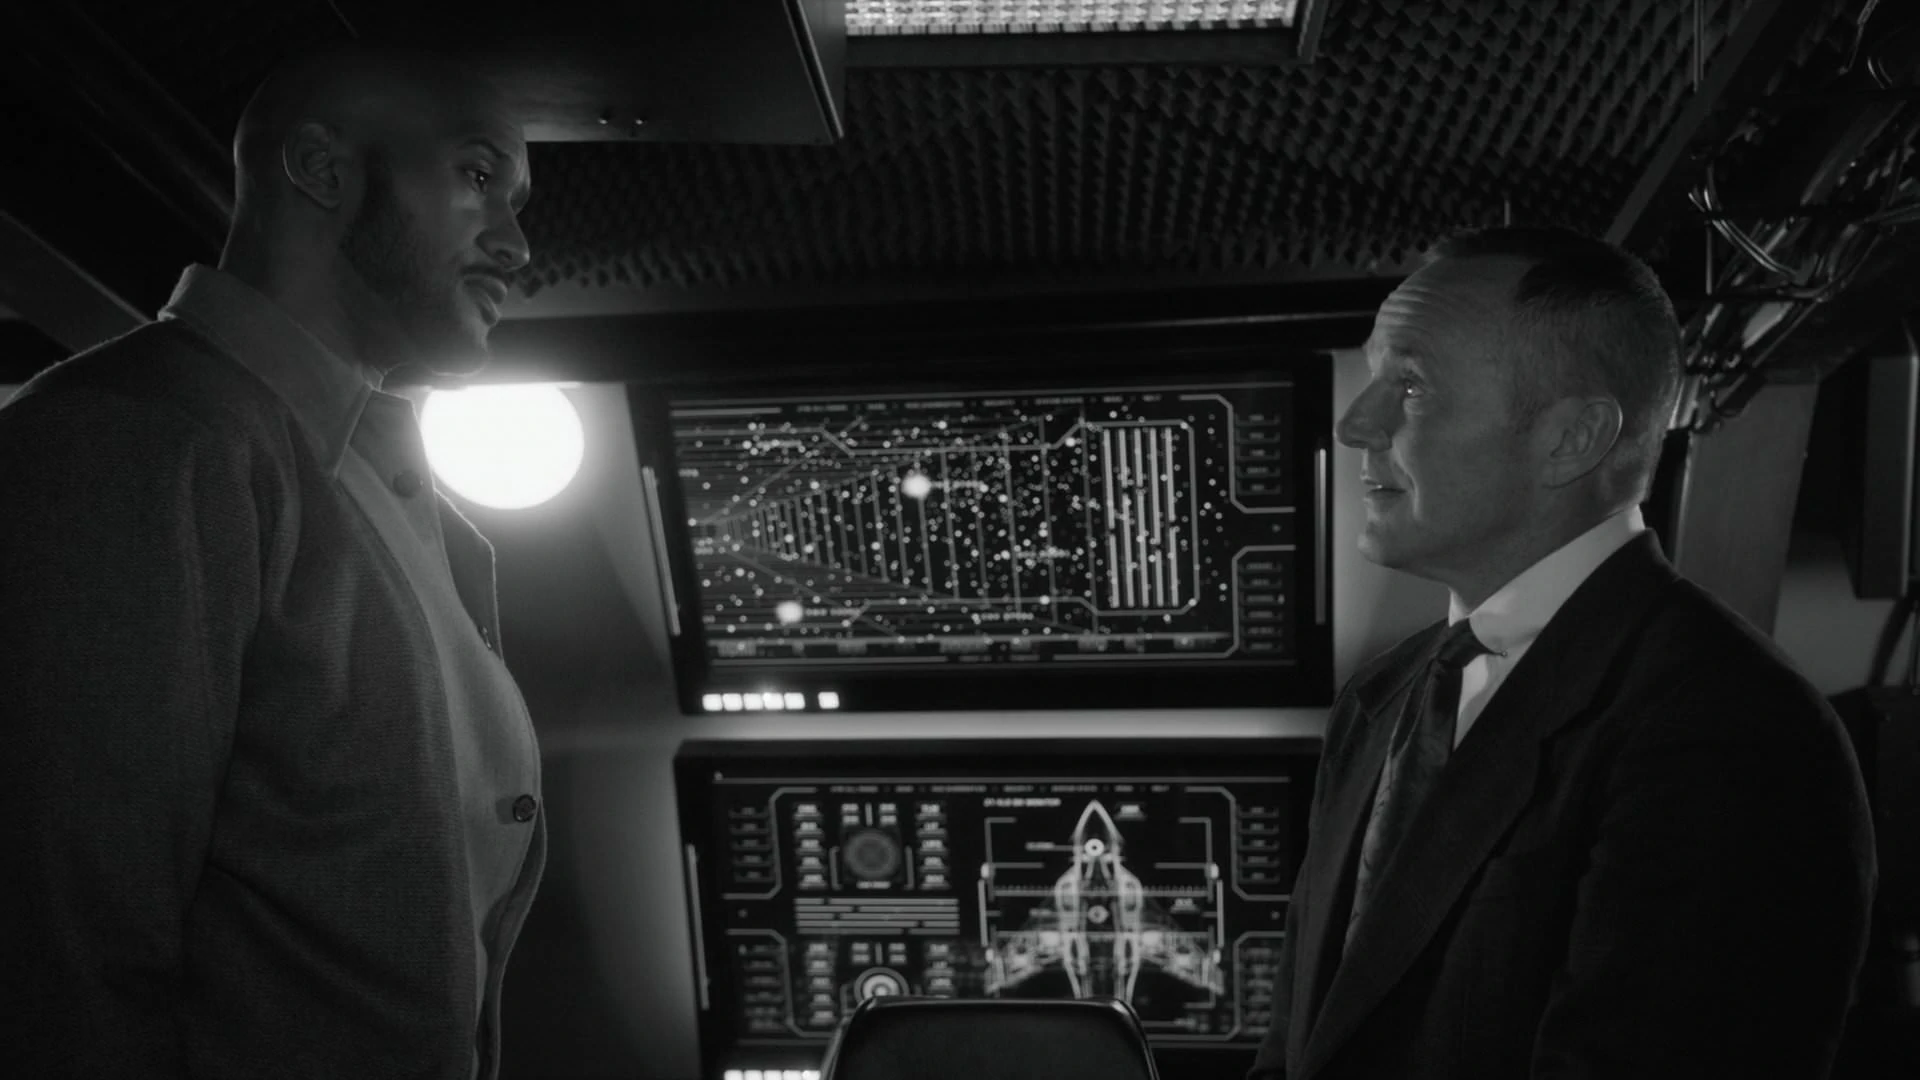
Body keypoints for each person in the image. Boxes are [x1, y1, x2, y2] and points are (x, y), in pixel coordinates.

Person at [0, 42, 542, 1079]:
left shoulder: (375, 482)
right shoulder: (134, 439)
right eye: (479, 176)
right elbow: (62, 955)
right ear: (320, 168)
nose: (516, 245)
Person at [1248, 226, 1876, 1079]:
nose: (1357, 424)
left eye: (1412, 386)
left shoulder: (1731, 728)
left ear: (1573, 438)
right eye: (1372, 378)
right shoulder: (1379, 697)